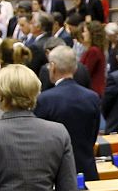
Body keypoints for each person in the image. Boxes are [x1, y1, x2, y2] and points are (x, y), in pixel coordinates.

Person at [34, 46, 102, 182]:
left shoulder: (45, 100)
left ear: (53, 67)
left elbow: (39, 140)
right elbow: (93, 136)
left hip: (55, 173)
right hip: (86, 170)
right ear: (75, 68)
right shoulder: (92, 97)